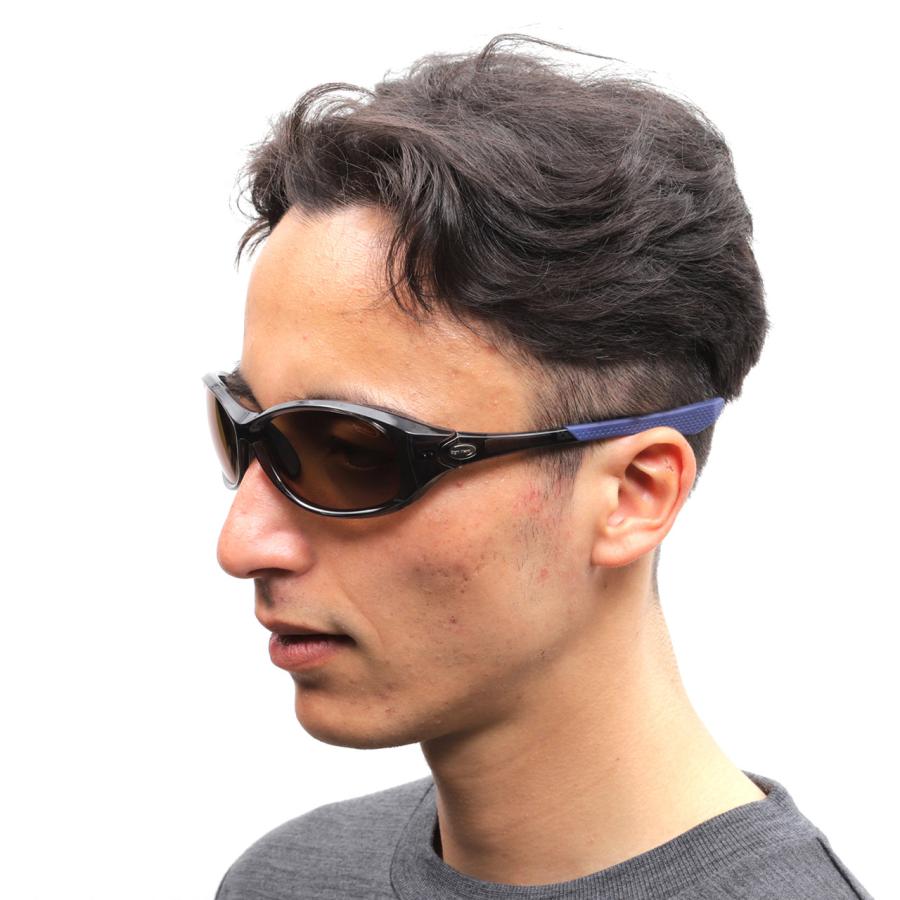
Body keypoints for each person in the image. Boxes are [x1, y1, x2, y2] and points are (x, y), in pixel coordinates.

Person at [206, 33, 873, 900]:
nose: (242, 543)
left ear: (633, 494)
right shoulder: (290, 881)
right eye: (244, 432)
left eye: (354, 453)